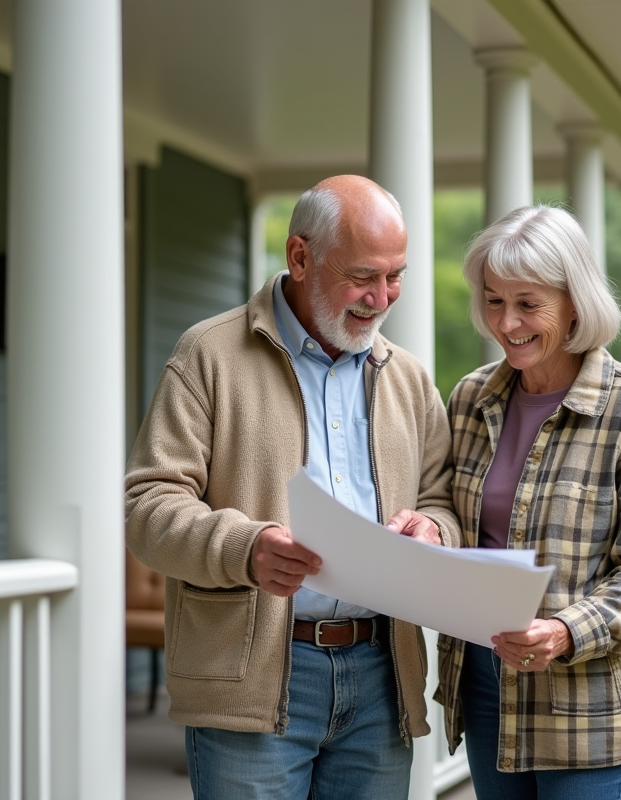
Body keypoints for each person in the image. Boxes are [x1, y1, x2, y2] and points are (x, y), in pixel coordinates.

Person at [125, 174, 459, 800]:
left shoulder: (410, 379)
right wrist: (245, 549)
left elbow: (443, 496)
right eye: (362, 275)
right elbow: (147, 506)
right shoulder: (207, 354)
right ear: (299, 257)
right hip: (251, 681)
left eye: (396, 276)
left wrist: (433, 528)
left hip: (381, 677)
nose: (382, 297)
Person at [436, 205, 621, 799]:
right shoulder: (471, 399)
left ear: (575, 300)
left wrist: (563, 630)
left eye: (529, 303)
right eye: (495, 300)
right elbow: (452, 512)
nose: (508, 322)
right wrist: (430, 526)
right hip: (485, 684)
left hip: (588, 708)